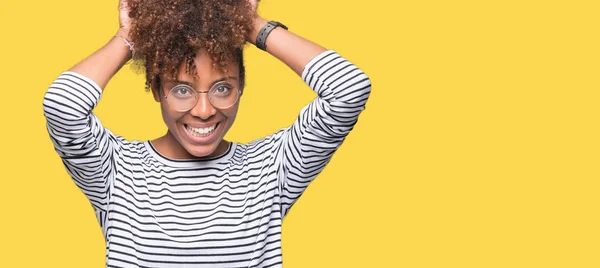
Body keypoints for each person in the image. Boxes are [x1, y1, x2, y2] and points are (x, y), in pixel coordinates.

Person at [42, 0, 371, 266]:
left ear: (241, 87)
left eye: (222, 88)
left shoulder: (272, 168)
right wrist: (128, 36)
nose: (203, 111)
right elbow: (62, 105)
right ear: (156, 90)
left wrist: (250, 23)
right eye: (182, 90)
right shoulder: (115, 169)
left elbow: (349, 89)